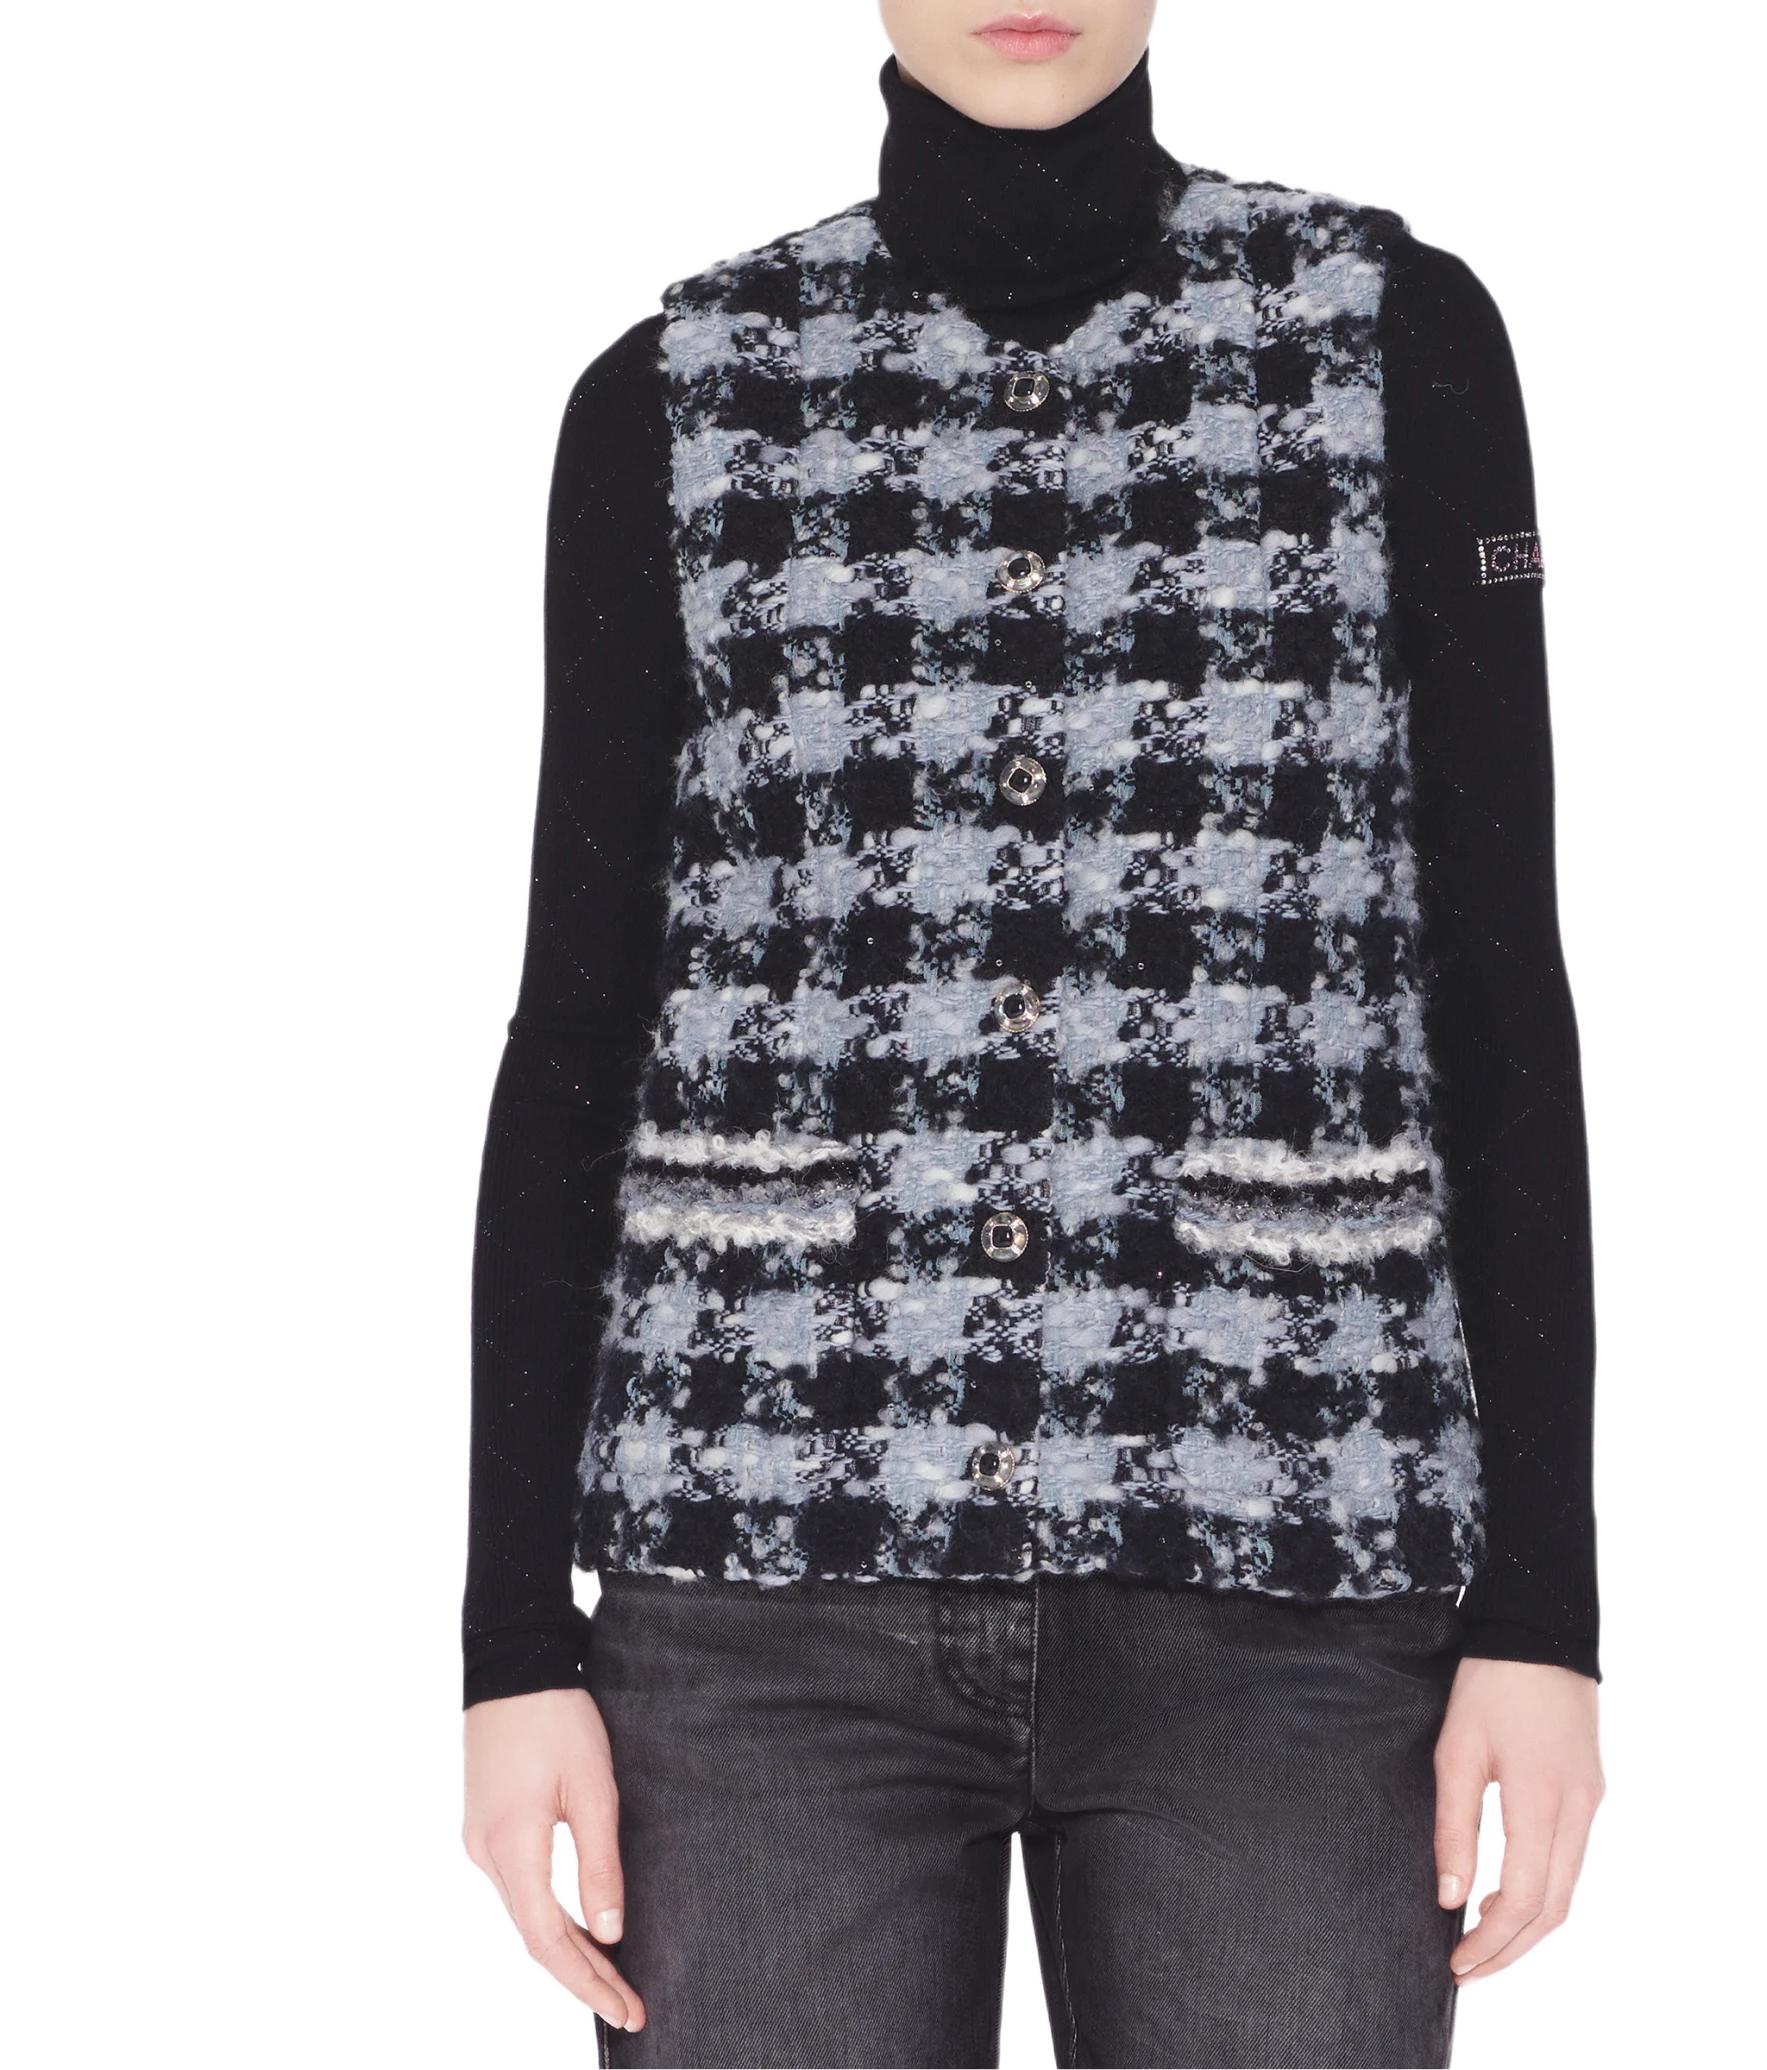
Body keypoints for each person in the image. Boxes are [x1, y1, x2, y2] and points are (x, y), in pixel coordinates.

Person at [461, 3, 1604, 2063]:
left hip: (1286, 1547)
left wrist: (1544, 1611)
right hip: (761, 1568)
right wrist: (508, 1640)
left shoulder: (1387, 341)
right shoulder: (680, 393)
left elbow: (1496, 984)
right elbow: (576, 1030)